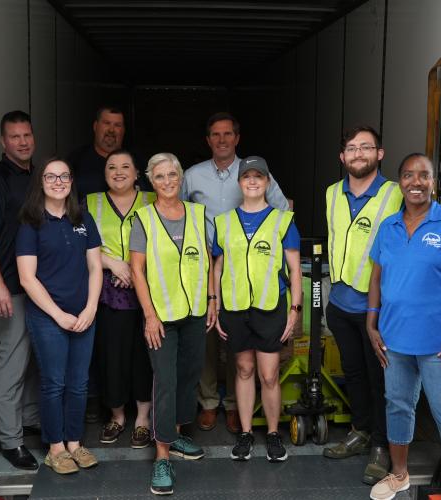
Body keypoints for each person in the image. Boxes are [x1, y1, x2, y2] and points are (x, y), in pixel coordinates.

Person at [367, 153, 441, 500]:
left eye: (424, 176)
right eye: (409, 175)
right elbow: (377, 274)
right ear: (399, 181)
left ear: (434, 182)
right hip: (394, 339)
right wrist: (371, 321)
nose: (416, 182)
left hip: (440, 343)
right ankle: (398, 475)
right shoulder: (388, 226)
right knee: (397, 405)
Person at [181, 111, 289, 434]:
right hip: (205, 266)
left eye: (228, 134)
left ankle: (233, 406)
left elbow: (284, 212)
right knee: (209, 338)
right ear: (208, 140)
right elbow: (178, 213)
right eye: (216, 134)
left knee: (238, 346)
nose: (222, 139)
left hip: (250, 273)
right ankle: (210, 401)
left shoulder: (256, 172)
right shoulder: (192, 175)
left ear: (237, 138)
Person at [130, 152, 216, 495]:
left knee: (189, 375)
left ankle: (177, 435)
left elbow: (208, 259)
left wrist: (211, 300)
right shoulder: (144, 218)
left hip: (194, 311)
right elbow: (137, 270)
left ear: (181, 178)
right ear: (151, 181)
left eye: (173, 175)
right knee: (165, 380)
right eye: (160, 176)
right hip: (161, 317)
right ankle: (161, 455)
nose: (167, 181)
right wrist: (149, 315)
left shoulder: (197, 213)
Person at [323, 125, 403, 485]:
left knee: (381, 379)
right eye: (352, 149)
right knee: (353, 374)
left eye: (366, 147)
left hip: (378, 309)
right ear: (342, 157)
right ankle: (360, 431)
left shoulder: (397, 194)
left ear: (380, 153)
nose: (358, 154)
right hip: (339, 304)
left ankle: (382, 447)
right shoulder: (331, 193)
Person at [16, 158, 103, 475]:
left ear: (71, 181)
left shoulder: (83, 219)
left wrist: (91, 307)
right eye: (51, 176)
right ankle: (55, 449)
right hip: (48, 317)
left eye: (64, 176)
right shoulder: (31, 223)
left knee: (79, 383)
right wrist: (58, 315)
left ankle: (75, 443)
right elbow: (27, 278)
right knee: (54, 383)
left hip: (83, 314)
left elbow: (95, 266)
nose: (58, 181)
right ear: (41, 182)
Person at [213, 156, 301, 462]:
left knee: (268, 374)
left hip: (270, 307)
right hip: (236, 309)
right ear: (239, 183)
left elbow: (294, 268)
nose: (252, 181)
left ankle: (274, 434)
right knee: (244, 369)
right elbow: (218, 267)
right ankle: (246, 434)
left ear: (267, 182)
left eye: (258, 177)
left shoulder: (283, 220)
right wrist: (216, 304)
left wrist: (295, 309)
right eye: (247, 176)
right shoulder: (223, 222)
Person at [0, 110, 40, 470]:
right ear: (3, 142)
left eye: (27, 135)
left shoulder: (37, 177)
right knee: (12, 364)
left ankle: (29, 420)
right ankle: (11, 441)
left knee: (34, 364)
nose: (23, 142)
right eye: (15, 137)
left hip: (41, 287)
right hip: (12, 286)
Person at [86, 149, 155, 447]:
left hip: (149, 291)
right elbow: (78, 243)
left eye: (126, 166)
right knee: (111, 355)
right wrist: (112, 263)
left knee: (145, 354)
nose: (118, 172)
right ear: (104, 173)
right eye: (111, 167)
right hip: (108, 293)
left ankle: (143, 418)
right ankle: (117, 416)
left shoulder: (154, 200)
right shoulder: (91, 203)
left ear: (137, 173)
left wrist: (136, 268)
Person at [68, 105, 152, 200]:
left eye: (117, 125)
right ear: (95, 126)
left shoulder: (138, 160)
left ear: (123, 130)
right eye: (106, 123)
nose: (111, 130)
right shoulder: (76, 160)